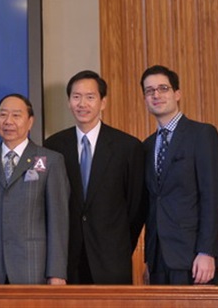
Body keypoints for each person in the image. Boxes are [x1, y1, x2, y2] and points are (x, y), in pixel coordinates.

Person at [44, 70, 146, 284]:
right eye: (76, 97)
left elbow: (137, 206)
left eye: (90, 97)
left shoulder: (127, 147)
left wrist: (121, 244)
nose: (82, 104)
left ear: (103, 102)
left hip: (112, 259)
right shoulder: (53, 146)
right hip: (68, 260)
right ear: (68, 102)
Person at [140, 65, 218, 285]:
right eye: (149, 91)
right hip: (158, 258)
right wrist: (149, 260)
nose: (156, 95)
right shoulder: (147, 146)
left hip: (194, 258)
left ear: (177, 94)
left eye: (163, 88)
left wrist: (207, 251)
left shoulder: (202, 134)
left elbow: (213, 197)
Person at [0, 93, 68, 284]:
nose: (8, 121)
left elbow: (58, 221)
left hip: (34, 268)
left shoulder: (50, 161)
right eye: (3, 115)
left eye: (16, 115)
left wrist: (57, 272)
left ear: (30, 121)